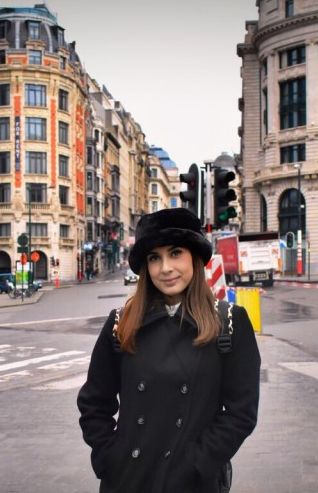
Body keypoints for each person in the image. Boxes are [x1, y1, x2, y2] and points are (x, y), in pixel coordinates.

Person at [77, 207, 261, 493]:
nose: (165, 268)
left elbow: (241, 413)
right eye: (154, 258)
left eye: (175, 253)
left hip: (190, 483)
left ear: (195, 257)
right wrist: (109, 457)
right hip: (127, 481)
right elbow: (94, 403)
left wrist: (197, 464)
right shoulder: (120, 322)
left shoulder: (229, 322)